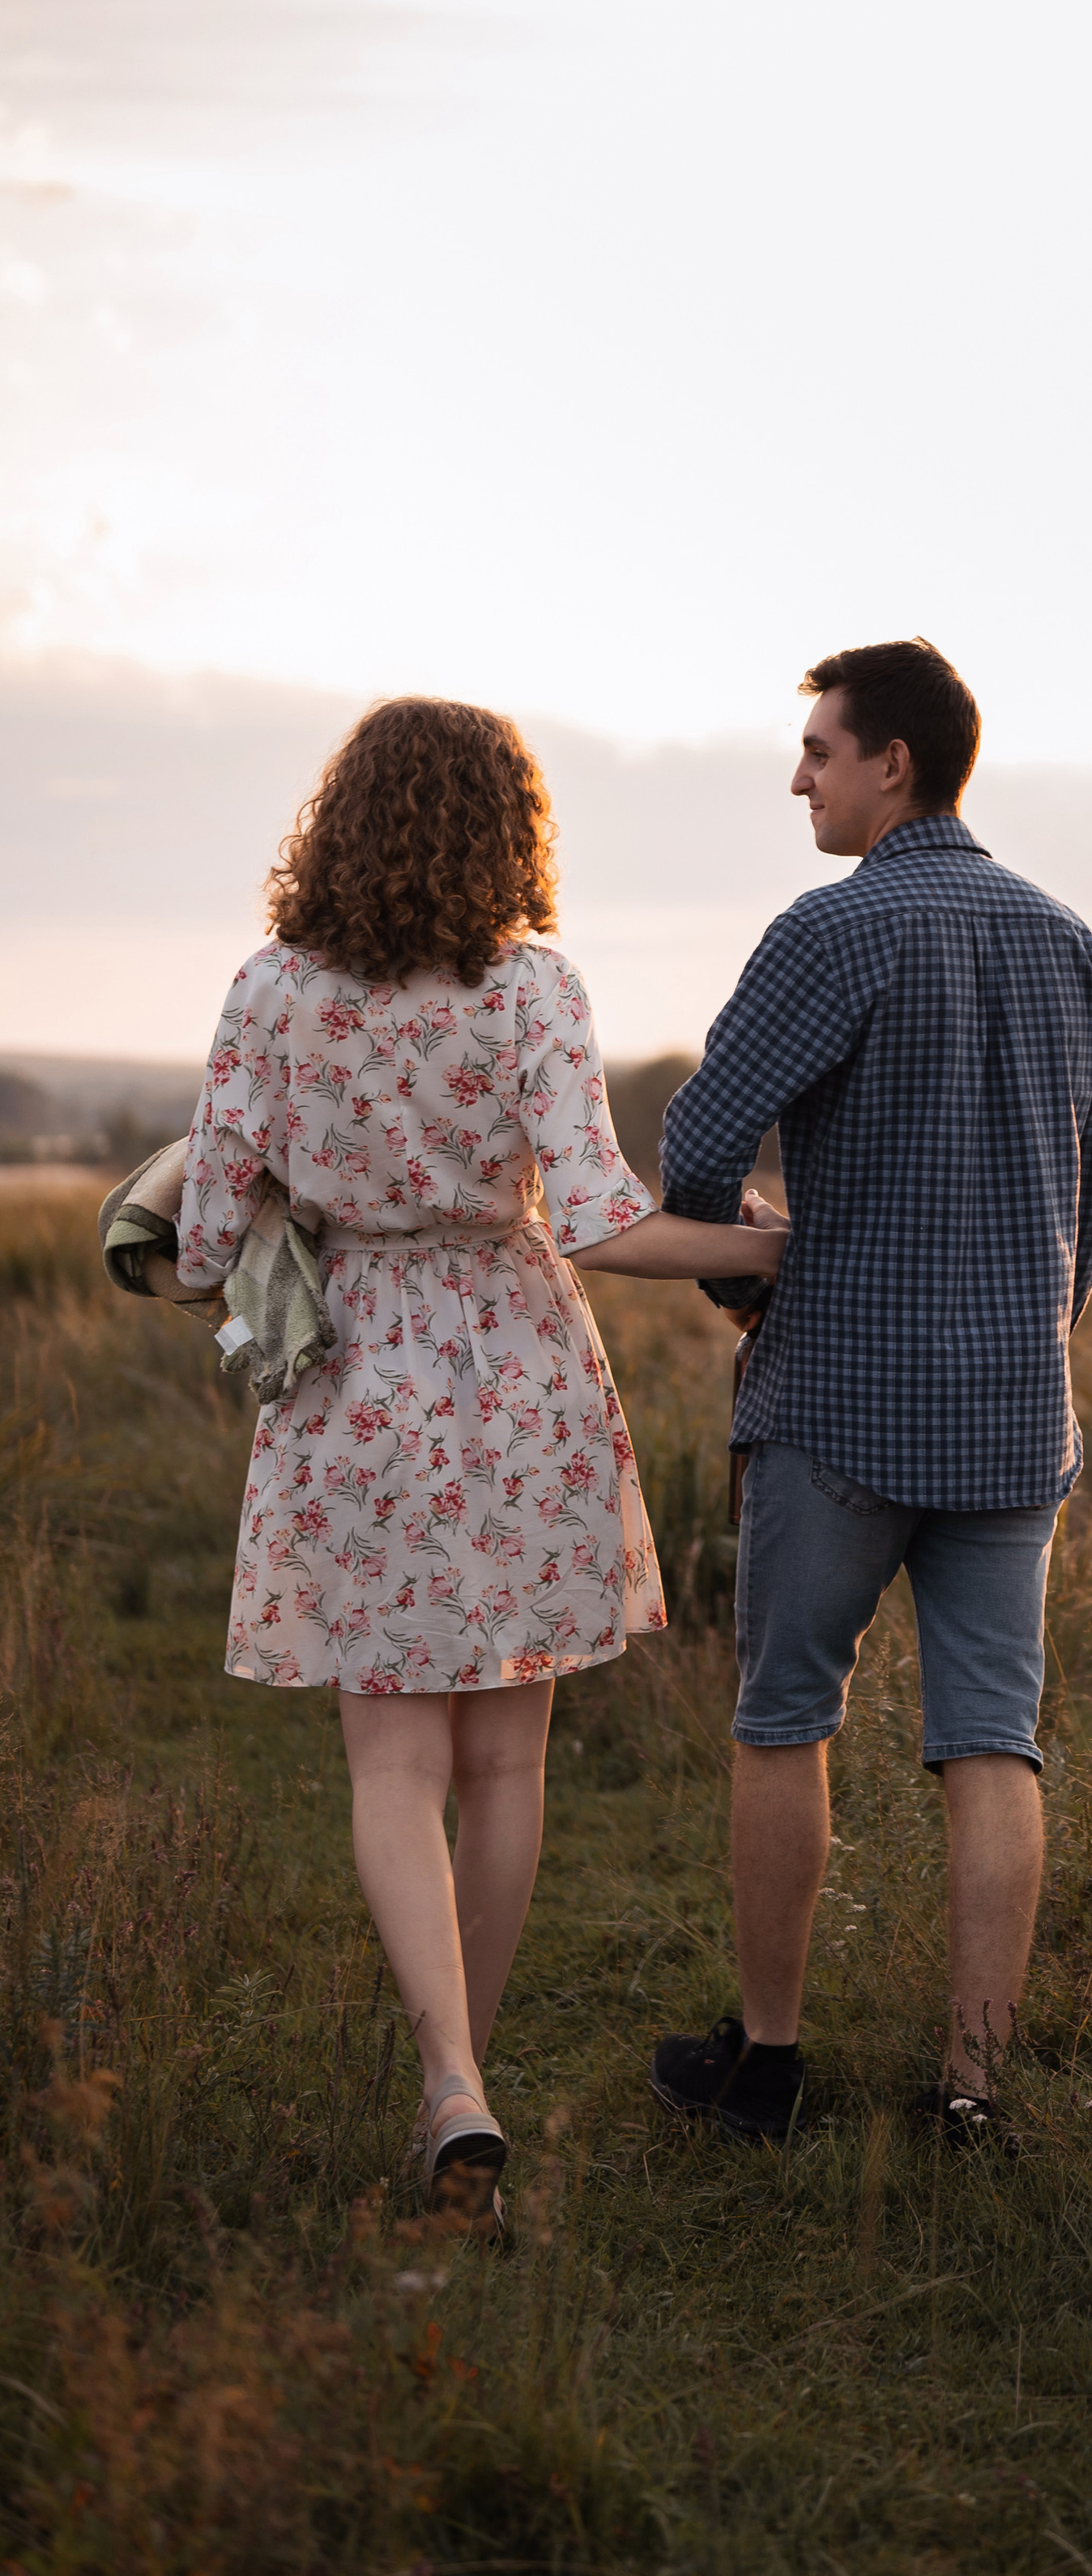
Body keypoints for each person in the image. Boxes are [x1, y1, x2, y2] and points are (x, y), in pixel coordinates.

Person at [171, 697, 785, 2231]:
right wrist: (766, 1243)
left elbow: (199, 1249)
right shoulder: (533, 989)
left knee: (392, 1765)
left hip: (353, 1385)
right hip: (516, 1368)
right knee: (506, 1762)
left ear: (344, 819)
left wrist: (273, 1235)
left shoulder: (273, 990)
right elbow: (594, 1215)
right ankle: (469, 2076)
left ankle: (453, 2084)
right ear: (510, 829)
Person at [648, 638, 1092, 2147]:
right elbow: (1083, 1215)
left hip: (841, 1405)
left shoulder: (833, 932)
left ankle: (768, 2069)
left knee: (787, 1716)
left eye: (819, 750)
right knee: (994, 1737)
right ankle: (971, 2096)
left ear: (891, 763)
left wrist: (747, 1275)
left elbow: (701, 1143)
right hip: (1008, 1417)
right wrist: (1021, 1340)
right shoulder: (1071, 943)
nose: (800, 776)